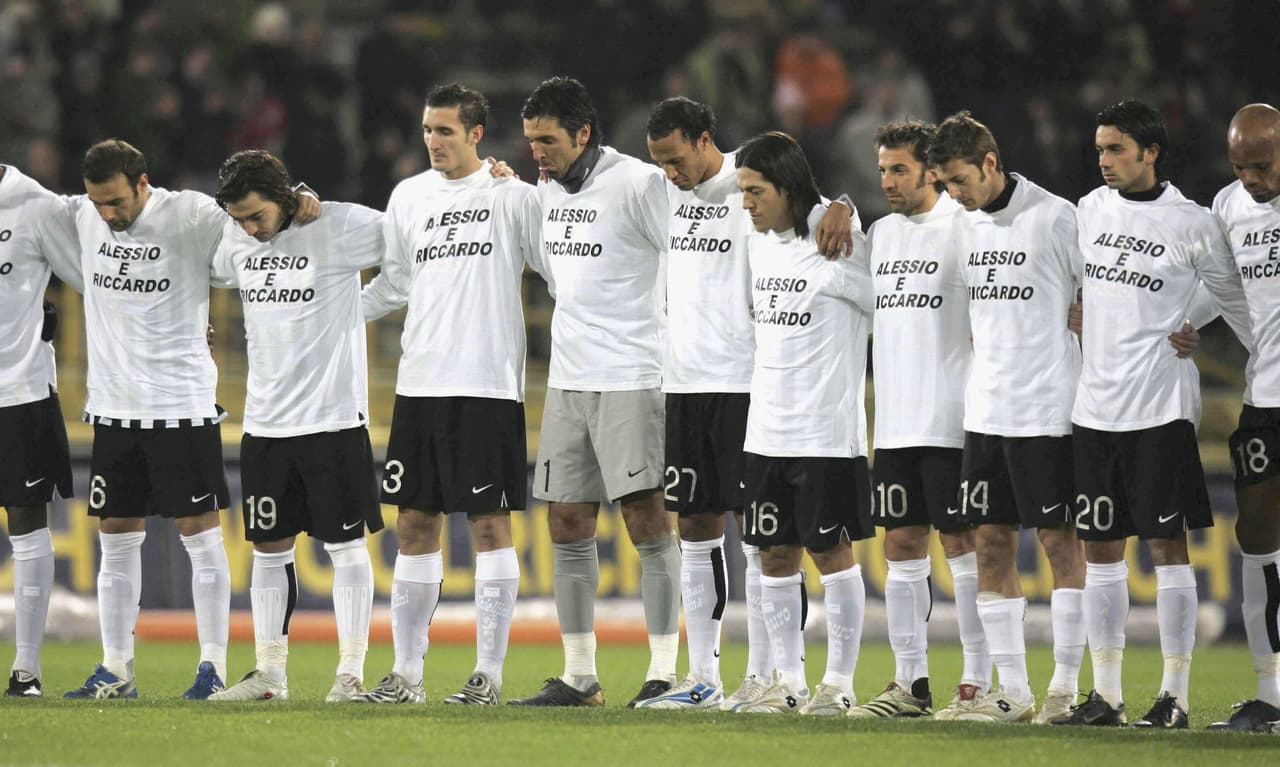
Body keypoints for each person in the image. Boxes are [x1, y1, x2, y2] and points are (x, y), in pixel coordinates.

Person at [61, 139, 317, 699]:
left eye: (117, 202)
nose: (108, 214)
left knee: (200, 539)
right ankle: (115, 668)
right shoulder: (80, 217)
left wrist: (297, 197)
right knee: (115, 540)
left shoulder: (193, 214)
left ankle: (211, 668)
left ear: (143, 183)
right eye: (98, 203)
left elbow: (254, 242)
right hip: (113, 407)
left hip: (181, 407)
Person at [637, 96, 854, 711]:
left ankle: (772, 675)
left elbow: (817, 205)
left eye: (677, 159)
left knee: (765, 537)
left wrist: (846, 202)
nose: (670, 173)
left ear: (706, 141)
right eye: (660, 163)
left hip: (747, 384)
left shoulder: (749, 181)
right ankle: (703, 677)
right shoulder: (658, 190)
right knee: (696, 529)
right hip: (683, 383)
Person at [1060, 100, 1253, 729]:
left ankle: (1174, 696)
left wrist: (1194, 324)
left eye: (1116, 149)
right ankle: (1107, 696)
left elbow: (1234, 296)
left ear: (1151, 152)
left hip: (1160, 410)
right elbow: (1061, 278)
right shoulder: (1087, 211)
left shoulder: (1191, 222)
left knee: (1168, 549)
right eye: (1099, 149)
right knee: (1100, 551)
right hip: (1094, 409)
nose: (1104, 161)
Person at [356, 83, 546, 706]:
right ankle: (406, 674)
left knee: (489, 527)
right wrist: (331, 316)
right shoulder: (408, 197)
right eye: (427, 131)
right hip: (420, 384)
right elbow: (394, 284)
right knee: (413, 525)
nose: (433, 141)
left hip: (488, 386)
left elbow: (560, 266)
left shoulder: (512, 195)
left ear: (474, 134)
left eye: (444, 131)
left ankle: (487, 677)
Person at [509, 76, 681, 708]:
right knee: (566, 518)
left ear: (583, 133)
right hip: (568, 378)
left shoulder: (638, 184)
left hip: (633, 374)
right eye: (531, 142)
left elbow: (692, 247)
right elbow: (558, 274)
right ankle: (580, 675)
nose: (538, 153)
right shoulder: (546, 192)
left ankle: (664, 670)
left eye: (548, 140)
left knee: (645, 516)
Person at [204, 150, 385, 702]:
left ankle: (350, 675)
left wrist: (357, 308)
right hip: (265, 423)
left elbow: (415, 244)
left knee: (346, 547)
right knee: (268, 548)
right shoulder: (236, 240)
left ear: (285, 200)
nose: (248, 229)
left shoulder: (339, 225)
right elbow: (186, 267)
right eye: (238, 219)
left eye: (256, 215)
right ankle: (269, 676)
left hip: (332, 419)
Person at [925, 112, 1086, 723]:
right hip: (985, 409)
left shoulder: (1056, 217)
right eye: (945, 184)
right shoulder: (963, 226)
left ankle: (1065, 689)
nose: (955, 195)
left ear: (991, 162)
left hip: (1047, 409)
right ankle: (1013, 693)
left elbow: (1098, 291)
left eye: (961, 180)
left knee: (1058, 543)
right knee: (991, 543)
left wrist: (1088, 316)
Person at [848, 121, 990, 719]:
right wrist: (837, 205)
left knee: (965, 547)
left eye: (899, 169)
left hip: (954, 419)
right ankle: (911, 683)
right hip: (898, 423)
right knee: (901, 546)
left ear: (932, 171)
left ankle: (980, 680)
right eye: (882, 170)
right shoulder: (878, 234)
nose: (887, 181)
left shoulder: (964, 227)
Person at [731, 130, 872, 715]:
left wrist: (847, 206)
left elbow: (893, 305)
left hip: (827, 433)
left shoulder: (842, 243)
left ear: (788, 188)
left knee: (831, 553)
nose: (746, 203)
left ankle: (838, 684)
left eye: (756, 191)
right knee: (772, 556)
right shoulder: (756, 241)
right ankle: (787, 682)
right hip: (766, 430)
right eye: (742, 191)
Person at [0, 163, 82, 697]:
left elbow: (94, 279)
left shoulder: (35, 205)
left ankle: (25, 669)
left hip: (18, 392)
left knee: (28, 525)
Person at [1211, 102, 1280, 732]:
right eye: (1241, 167)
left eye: (1262, 166)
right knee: (1257, 536)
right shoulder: (1227, 207)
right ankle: (1270, 691)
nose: (1251, 179)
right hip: (1265, 399)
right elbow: (1220, 284)